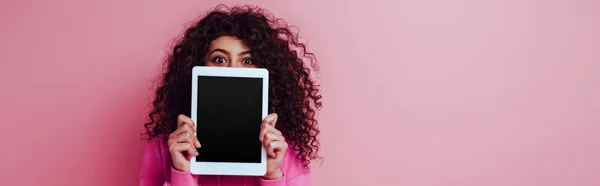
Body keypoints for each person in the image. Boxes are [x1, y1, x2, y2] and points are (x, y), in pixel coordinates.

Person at [139, 5, 322, 186]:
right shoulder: (165, 147)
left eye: (248, 61)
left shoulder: (284, 150)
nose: (233, 70)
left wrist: (272, 175)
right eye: (220, 59)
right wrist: (181, 172)